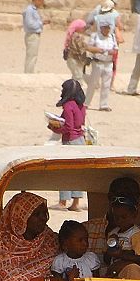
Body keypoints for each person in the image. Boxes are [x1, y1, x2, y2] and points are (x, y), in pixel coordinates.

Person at [83, 177, 140, 274]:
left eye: (126, 199)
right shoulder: (85, 231)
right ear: (109, 197)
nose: (120, 203)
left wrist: (123, 257)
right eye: (116, 198)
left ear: (138, 203)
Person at [48, 79, 86, 211]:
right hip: (81, 140)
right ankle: (75, 203)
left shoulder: (69, 105)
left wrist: (54, 128)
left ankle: (63, 202)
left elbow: (68, 127)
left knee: (64, 171)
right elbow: (79, 123)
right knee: (78, 172)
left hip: (71, 141)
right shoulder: (81, 105)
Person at [102, 195, 140, 278]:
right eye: (116, 217)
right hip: (114, 272)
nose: (120, 220)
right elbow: (106, 260)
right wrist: (109, 251)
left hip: (130, 273)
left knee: (132, 269)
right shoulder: (112, 233)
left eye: (124, 217)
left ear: (134, 214)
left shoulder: (138, 234)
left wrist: (120, 254)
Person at [85, 22, 117, 112]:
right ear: (101, 28)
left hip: (108, 62)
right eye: (105, 28)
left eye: (108, 28)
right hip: (97, 62)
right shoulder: (95, 36)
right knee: (93, 84)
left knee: (106, 85)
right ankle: (86, 103)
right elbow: (88, 47)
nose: (107, 30)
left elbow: (116, 49)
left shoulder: (112, 37)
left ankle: (104, 105)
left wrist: (112, 52)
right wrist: (98, 50)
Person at [22, 0, 47, 74]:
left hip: (34, 35)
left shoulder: (34, 10)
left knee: (33, 56)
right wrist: (41, 23)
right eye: (41, 2)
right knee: (31, 56)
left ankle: (29, 72)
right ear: (37, 0)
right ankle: (28, 74)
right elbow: (30, 24)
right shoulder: (30, 10)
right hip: (32, 35)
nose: (41, 4)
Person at [63, 18, 88, 82]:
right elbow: (82, 48)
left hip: (71, 59)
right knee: (78, 77)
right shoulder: (77, 36)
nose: (84, 29)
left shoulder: (71, 35)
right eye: (83, 28)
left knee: (75, 76)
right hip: (75, 59)